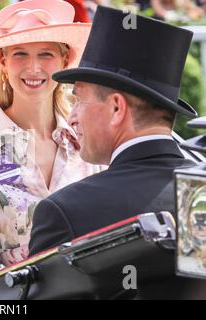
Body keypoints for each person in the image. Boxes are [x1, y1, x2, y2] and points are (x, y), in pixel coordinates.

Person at [0, 0, 99, 280]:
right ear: (3, 61)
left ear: (65, 60)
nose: (33, 67)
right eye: (20, 54)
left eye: (46, 54)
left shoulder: (86, 141)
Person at [29, 5, 198, 256]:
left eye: (78, 100)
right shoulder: (199, 192)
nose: (72, 116)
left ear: (117, 108)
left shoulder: (65, 211)